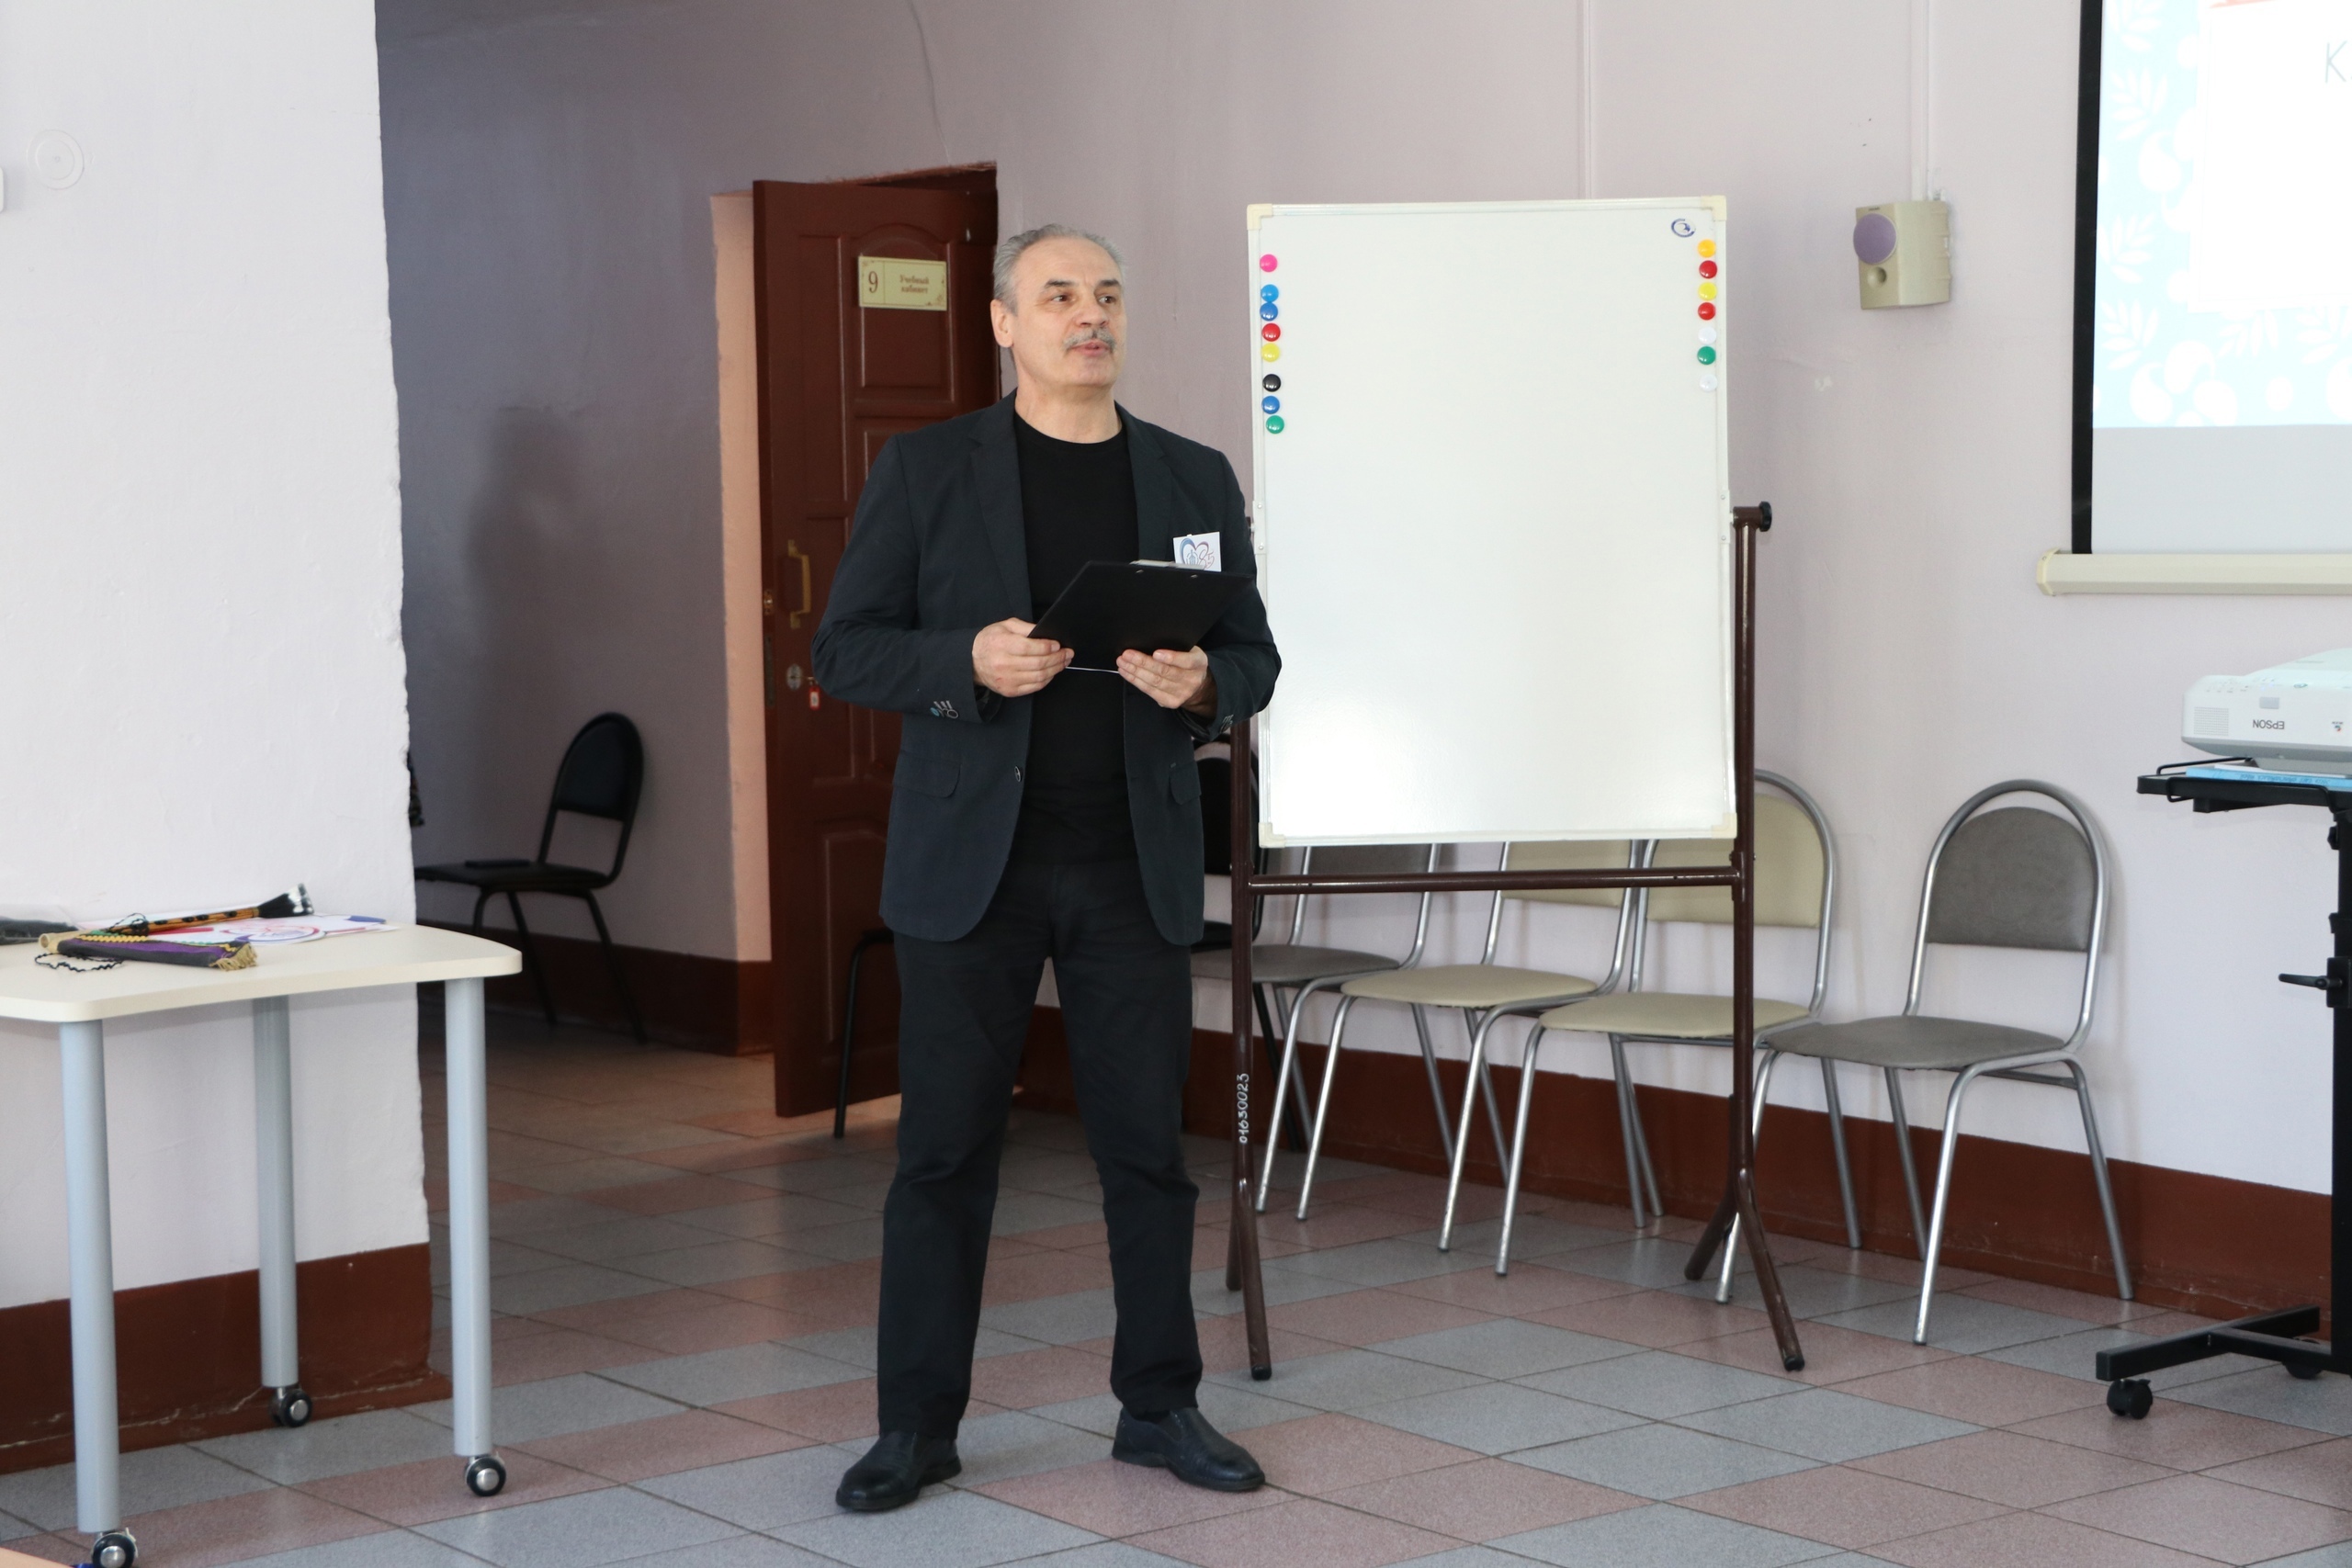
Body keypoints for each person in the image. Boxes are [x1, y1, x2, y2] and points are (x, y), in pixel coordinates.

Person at [812, 224, 1281, 1512]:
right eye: (1061, 295)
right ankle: (916, 1427)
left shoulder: (1190, 475)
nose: (1092, 316)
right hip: (975, 868)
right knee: (944, 1157)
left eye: (1109, 295)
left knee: (1147, 1153)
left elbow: (1254, 656)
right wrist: (962, 660)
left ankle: (1160, 1406)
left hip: (1131, 863)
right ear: (1005, 323)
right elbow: (845, 647)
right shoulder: (928, 469)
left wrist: (1206, 685)